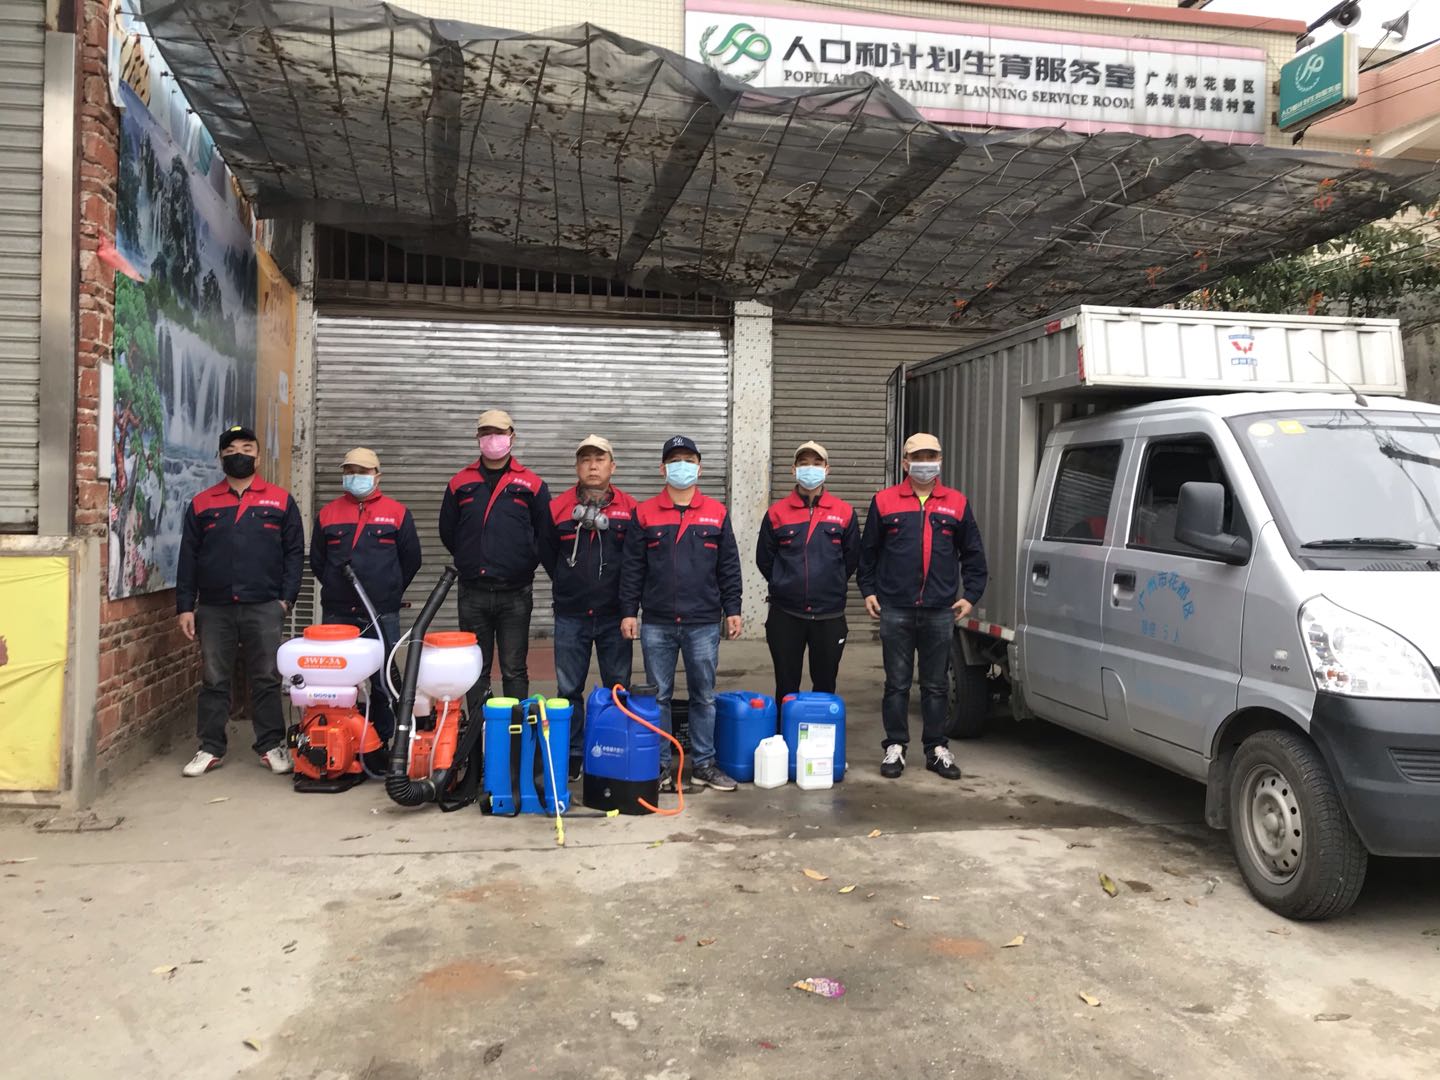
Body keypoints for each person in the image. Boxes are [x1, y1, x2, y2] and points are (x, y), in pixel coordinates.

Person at [857, 432, 987, 782]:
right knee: (897, 684)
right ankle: (895, 746)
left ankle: (936, 748)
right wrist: (868, 590)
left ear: (940, 461)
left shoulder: (956, 503)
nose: (925, 463)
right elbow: (868, 553)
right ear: (905, 463)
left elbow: (973, 554)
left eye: (931, 456)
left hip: (939, 610)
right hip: (895, 608)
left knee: (935, 686)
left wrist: (971, 595)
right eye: (918, 457)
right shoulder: (884, 501)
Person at [176, 425, 304, 777]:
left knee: (265, 677)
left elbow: (295, 553)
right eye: (231, 449)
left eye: (247, 449)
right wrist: (185, 606)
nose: (239, 455)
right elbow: (188, 557)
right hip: (214, 607)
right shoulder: (202, 503)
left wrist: (285, 599)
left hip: (264, 606)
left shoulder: (280, 501)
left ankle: (271, 744)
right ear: (220, 457)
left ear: (258, 457)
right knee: (214, 679)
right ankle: (210, 747)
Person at [619, 435, 743, 792]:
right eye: (675, 460)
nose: (682, 466)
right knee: (657, 696)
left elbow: (728, 566)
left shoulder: (716, 512)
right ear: (663, 469)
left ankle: (703, 764)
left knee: (704, 696)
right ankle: (659, 767)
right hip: (657, 622)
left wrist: (732, 608)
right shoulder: (644, 513)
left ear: (699, 468)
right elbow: (633, 568)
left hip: (702, 621)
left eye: (689, 459)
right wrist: (629, 612)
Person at [439, 409, 551, 719]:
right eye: (486, 433)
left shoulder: (532, 484)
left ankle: (513, 736)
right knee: (476, 669)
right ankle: (478, 736)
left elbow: (545, 533)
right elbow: (448, 531)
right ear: (477, 438)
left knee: (514, 668)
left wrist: (522, 561)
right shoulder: (460, 482)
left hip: (515, 593)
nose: (493, 439)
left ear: (512, 437)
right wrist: (471, 557)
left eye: (499, 433)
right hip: (473, 592)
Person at [310, 447, 422, 749]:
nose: (355, 476)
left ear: (377, 476)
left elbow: (411, 559)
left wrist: (390, 589)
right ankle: (341, 740)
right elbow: (318, 561)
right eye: (350, 471)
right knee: (337, 679)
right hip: (338, 613)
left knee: (384, 679)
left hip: (382, 612)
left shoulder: (397, 513)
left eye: (362, 471)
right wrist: (336, 586)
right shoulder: (328, 513)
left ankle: (385, 740)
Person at [540, 435, 638, 781]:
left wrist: (628, 608)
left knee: (618, 687)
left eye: (600, 459)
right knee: (568, 690)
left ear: (613, 466)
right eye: (585, 460)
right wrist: (570, 583)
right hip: (571, 615)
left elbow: (635, 562)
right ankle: (572, 754)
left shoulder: (630, 508)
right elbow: (547, 553)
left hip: (614, 616)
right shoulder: (557, 508)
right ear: (576, 467)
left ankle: (615, 747)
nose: (593, 466)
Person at [755, 440, 859, 702]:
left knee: (825, 685)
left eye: (816, 463)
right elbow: (765, 559)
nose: (810, 468)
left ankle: (818, 729)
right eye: (803, 463)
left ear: (827, 469)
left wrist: (830, 583)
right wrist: (785, 583)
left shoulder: (844, 512)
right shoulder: (776, 513)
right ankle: (786, 727)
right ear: (793, 470)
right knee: (786, 686)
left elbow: (852, 558)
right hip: (786, 614)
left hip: (829, 614)